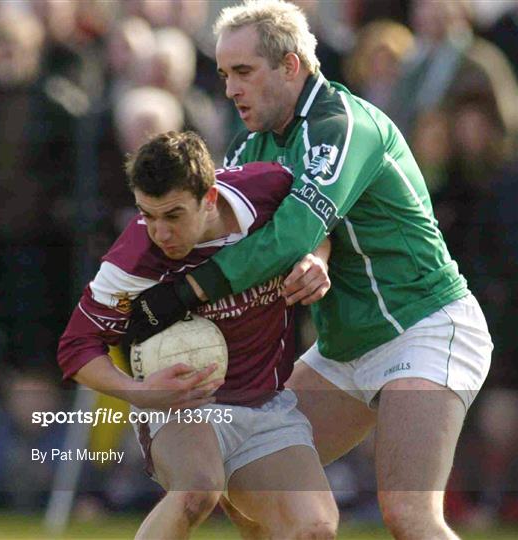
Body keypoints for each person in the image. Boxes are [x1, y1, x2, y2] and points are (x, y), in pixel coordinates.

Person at [128, 2, 493, 539]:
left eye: (244, 72)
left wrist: (189, 292)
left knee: (410, 516)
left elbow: (295, 230)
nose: (230, 89)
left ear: (291, 66)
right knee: (246, 474)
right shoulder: (252, 144)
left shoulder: (341, 125)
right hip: (345, 348)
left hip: (423, 328)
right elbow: (261, 238)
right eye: (225, 74)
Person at [57, 131, 338, 539]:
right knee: (197, 490)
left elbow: (318, 230)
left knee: (315, 530)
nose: (159, 232)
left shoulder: (270, 189)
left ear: (209, 197)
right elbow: (76, 347)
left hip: (264, 402)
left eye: (173, 215)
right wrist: (139, 393)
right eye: (146, 214)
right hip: (178, 406)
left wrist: (318, 260)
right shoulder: (134, 257)